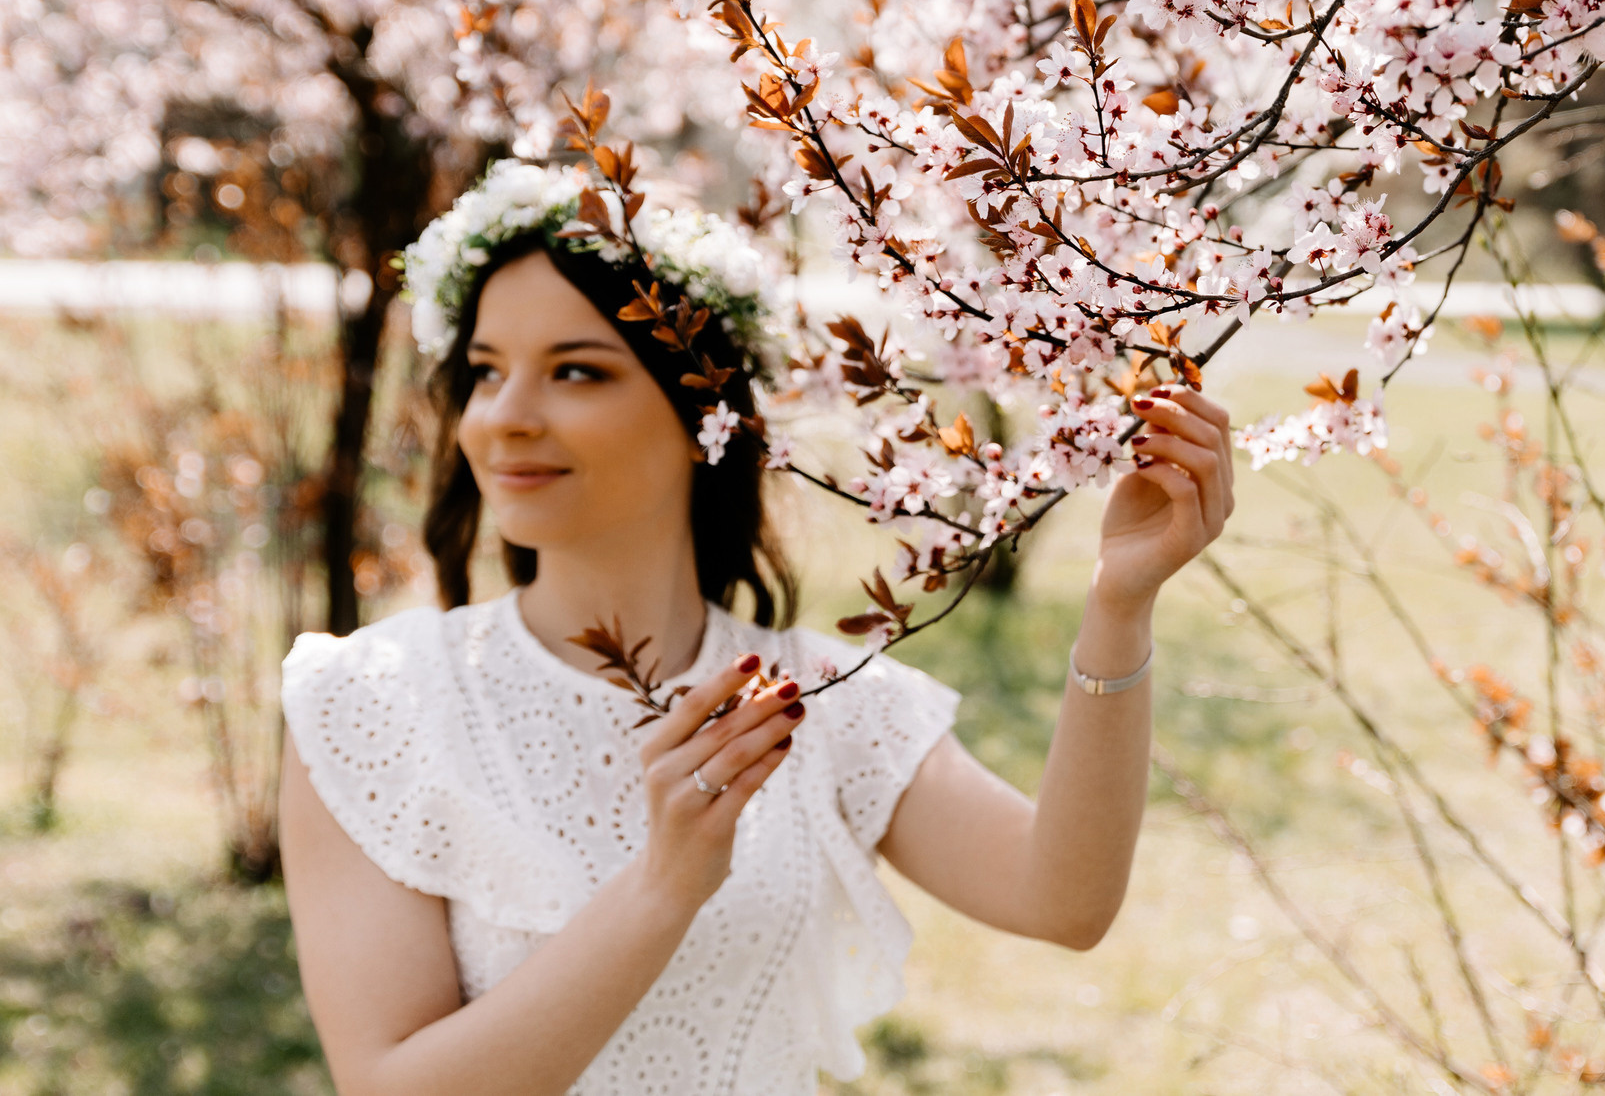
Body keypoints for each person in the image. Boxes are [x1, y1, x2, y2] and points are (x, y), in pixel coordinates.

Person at [277, 160, 1236, 1096]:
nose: (506, 417)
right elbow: (388, 1082)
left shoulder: (813, 701)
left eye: (575, 370)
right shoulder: (372, 701)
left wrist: (1119, 604)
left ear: (704, 413)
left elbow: (1061, 898)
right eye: (487, 371)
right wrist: (663, 887)